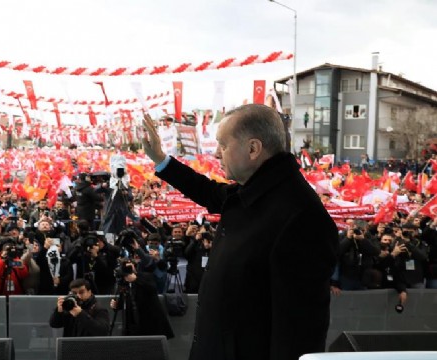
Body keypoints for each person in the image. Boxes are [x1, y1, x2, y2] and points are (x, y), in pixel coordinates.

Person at [142, 104, 338, 360]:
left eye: (223, 145)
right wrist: (161, 159)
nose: (215, 153)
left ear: (253, 149)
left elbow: (301, 329)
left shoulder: (302, 216)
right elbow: (209, 192)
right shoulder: (257, 191)